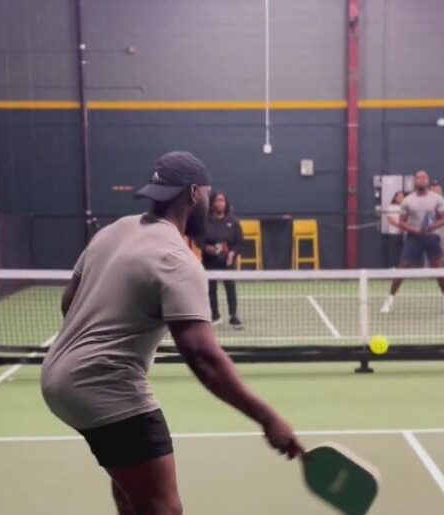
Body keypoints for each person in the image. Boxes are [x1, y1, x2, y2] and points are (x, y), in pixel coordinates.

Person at [41, 151, 302, 515]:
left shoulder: (113, 230)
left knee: (132, 489)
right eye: (209, 194)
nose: (211, 203)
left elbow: (68, 302)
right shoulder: (177, 260)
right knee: (163, 508)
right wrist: (267, 417)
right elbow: (202, 357)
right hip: (103, 385)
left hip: (56, 377)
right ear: (194, 194)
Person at [380, 170, 444, 314]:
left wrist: (432, 226)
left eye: (424, 177)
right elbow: (402, 223)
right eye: (418, 177)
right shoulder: (408, 200)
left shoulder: (437, 199)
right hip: (414, 237)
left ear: (428, 180)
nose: (421, 179)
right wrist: (416, 230)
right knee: (402, 266)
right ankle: (389, 301)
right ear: (415, 181)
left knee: (437, 267)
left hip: (432, 236)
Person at [201, 192, 244, 329]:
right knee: (211, 289)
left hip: (227, 261)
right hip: (210, 260)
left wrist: (233, 253)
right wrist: (207, 248)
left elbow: (239, 241)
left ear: (226, 203)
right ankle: (215, 315)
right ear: (212, 203)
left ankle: (233, 316)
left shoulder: (234, 221)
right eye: (217, 200)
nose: (220, 203)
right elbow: (198, 239)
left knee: (230, 288)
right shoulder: (205, 221)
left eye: (222, 201)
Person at [430, 180, 444, 267]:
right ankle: (429, 269)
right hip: (430, 227)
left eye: (438, 187)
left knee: (442, 246)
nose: (436, 189)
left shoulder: (442, 199)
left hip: (441, 226)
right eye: (434, 187)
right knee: (430, 247)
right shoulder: (428, 198)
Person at [385, 191, 405, 267]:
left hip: (402, 233)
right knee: (393, 251)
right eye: (399, 196)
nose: (401, 198)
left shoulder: (405, 207)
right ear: (395, 197)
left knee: (401, 252)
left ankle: (400, 267)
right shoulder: (391, 207)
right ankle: (392, 267)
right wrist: (400, 226)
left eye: (402, 196)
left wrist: (404, 228)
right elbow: (390, 219)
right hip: (393, 233)